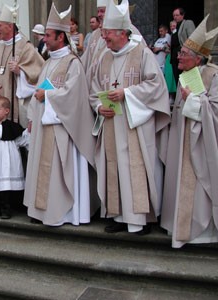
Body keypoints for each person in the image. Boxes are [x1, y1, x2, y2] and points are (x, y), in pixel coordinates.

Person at [87, 0, 171, 235]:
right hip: (111, 123)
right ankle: (118, 215)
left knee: (134, 167)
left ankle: (139, 219)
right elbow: (93, 90)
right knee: (114, 168)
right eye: (103, 34)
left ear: (123, 33)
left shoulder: (141, 53)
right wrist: (98, 107)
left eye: (109, 34)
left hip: (135, 124)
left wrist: (127, 93)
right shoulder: (104, 58)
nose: (105, 39)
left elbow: (156, 84)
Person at [24, 3, 97, 226]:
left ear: (61, 38)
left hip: (62, 127)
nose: (44, 39)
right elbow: (40, 89)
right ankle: (43, 211)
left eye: (48, 35)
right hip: (45, 124)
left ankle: (65, 213)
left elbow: (73, 96)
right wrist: (31, 116)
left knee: (60, 171)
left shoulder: (73, 63)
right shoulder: (48, 62)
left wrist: (46, 97)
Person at [161, 15, 218, 248]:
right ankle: (180, 225)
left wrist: (193, 100)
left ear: (197, 58)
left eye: (183, 54)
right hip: (183, 139)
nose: (178, 56)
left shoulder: (213, 75)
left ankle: (201, 230)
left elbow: (214, 109)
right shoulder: (185, 75)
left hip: (203, 143)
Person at [0, 3, 44, 128]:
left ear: (10, 26)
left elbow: (40, 73)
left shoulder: (25, 46)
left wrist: (21, 72)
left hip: (15, 106)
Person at [170, 7, 195, 86]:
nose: (175, 17)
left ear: (182, 15)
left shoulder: (187, 23)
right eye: (174, 15)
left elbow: (192, 38)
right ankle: (179, 96)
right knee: (177, 79)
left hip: (183, 54)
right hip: (175, 56)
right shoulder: (175, 26)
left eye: (177, 15)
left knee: (184, 78)